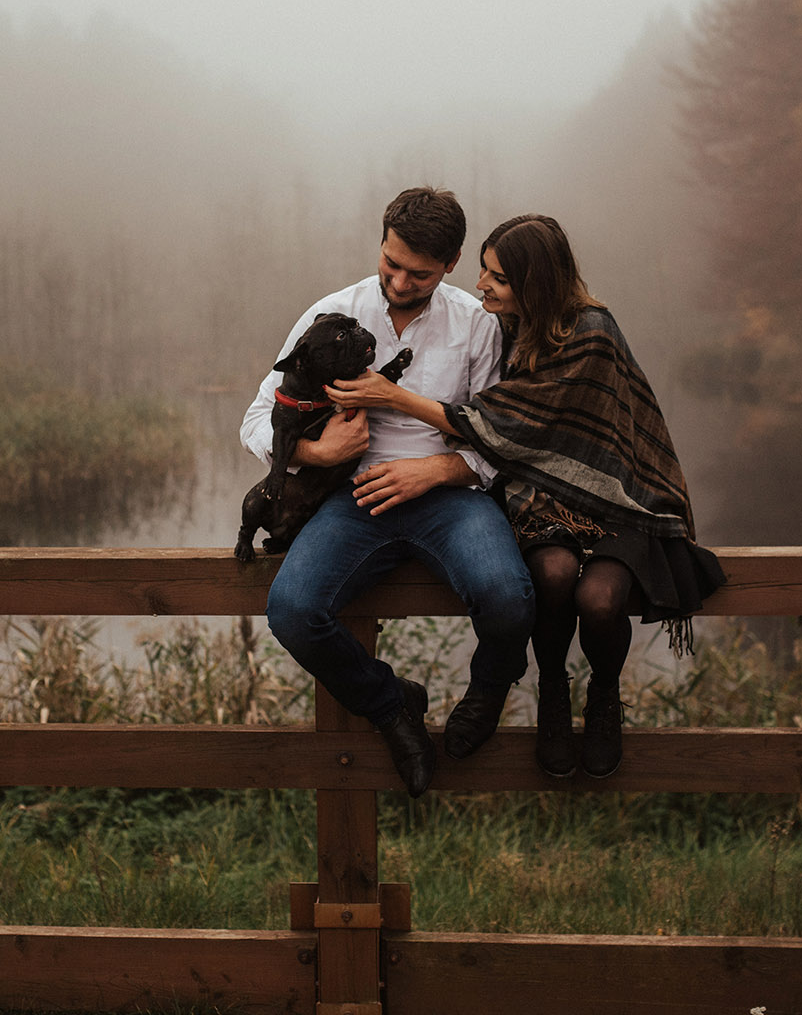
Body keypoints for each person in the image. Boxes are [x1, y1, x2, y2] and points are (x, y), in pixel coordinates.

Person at [327, 213, 724, 779]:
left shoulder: (590, 330)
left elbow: (504, 423)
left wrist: (394, 397)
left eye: (499, 278)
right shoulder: (503, 327)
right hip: (542, 495)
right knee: (554, 575)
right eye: (485, 271)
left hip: (615, 496)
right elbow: (498, 424)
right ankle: (554, 692)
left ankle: (604, 698)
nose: (483, 285)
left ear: (535, 284)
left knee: (601, 600)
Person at [240, 187, 536, 797]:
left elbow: (499, 440)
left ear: (451, 263)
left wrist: (437, 471)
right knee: (292, 612)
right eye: (391, 263)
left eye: (419, 273)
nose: (400, 282)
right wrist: (320, 453)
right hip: (352, 501)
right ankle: (391, 708)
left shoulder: (478, 325)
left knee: (509, 599)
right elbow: (256, 421)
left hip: (452, 498)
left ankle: (485, 694)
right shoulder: (330, 313)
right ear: (381, 243)